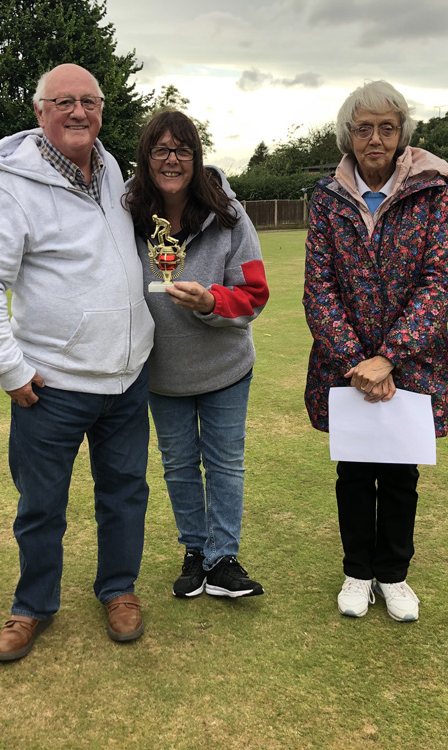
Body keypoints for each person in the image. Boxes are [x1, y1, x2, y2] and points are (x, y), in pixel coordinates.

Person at [0, 64, 155, 661]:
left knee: (125, 493)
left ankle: (118, 590)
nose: (78, 113)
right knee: (41, 505)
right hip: (53, 386)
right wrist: (9, 369)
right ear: (40, 112)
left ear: (101, 110)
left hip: (126, 379)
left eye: (88, 102)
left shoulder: (114, 168)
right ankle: (32, 606)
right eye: (63, 102)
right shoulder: (12, 188)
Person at [303, 81, 448, 623]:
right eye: (364, 127)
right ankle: (357, 572)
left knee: (399, 475)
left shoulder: (433, 190)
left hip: (411, 360)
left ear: (401, 134)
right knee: (353, 472)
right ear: (348, 133)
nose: (375, 138)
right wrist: (356, 361)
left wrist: (389, 356)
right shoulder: (327, 197)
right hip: (346, 365)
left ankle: (393, 575)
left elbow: (440, 281)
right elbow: (319, 287)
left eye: (387, 128)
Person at [124, 110, 269, 599]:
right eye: (160, 150)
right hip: (162, 373)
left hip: (225, 367)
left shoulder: (229, 214)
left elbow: (255, 292)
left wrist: (211, 302)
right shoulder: (126, 212)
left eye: (182, 150)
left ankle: (223, 559)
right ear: (146, 157)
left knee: (226, 464)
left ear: (196, 157)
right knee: (179, 466)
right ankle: (194, 552)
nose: (171, 160)